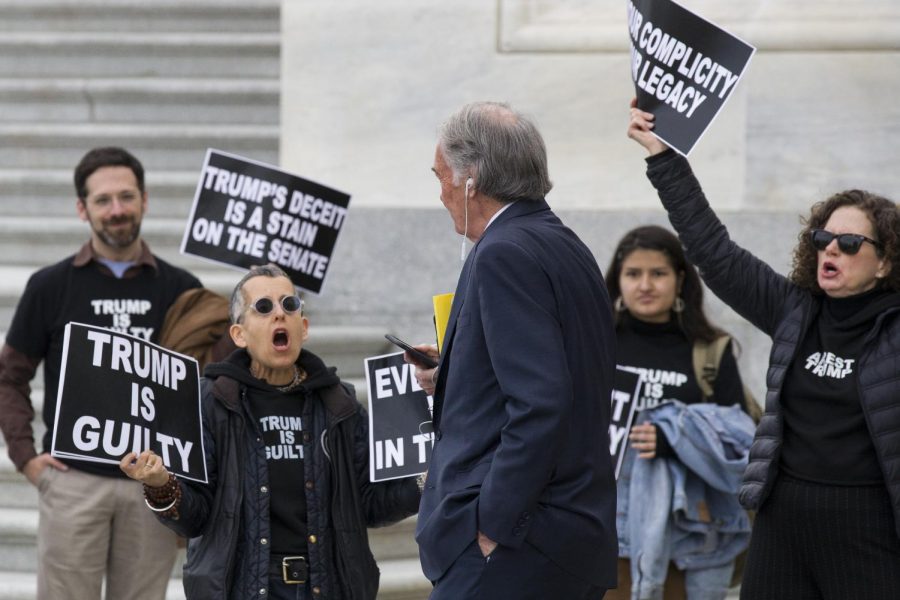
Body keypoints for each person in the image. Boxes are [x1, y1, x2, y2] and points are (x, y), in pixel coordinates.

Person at [628, 100, 900, 599]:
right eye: (823, 239)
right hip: (782, 519)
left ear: (884, 263)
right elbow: (714, 252)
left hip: (868, 525)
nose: (831, 250)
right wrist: (664, 158)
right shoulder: (795, 310)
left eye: (849, 244)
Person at [409, 101, 618, 599]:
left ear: (471, 180)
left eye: (440, 176)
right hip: (561, 538)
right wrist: (456, 373)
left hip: (519, 545)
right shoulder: (563, 243)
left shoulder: (505, 252)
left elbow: (541, 402)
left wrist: (492, 527)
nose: (439, 192)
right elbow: (552, 369)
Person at [120, 264, 421, 600]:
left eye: (289, 305)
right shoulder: (211, 403)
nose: (280, 314)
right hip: (242, 590)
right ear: (239, 334)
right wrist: (162, 485)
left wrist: (425, 479)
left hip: (326, 588)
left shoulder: (339, 404)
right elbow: (196, 518)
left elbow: (369, 504)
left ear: (303, 327)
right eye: (264, 307)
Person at [0, 147, 203, 599]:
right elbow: (10, 376)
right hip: (73, 481)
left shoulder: (180, 289)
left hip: (150, 484)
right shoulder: (51, 286)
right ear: (82, 208)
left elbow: (202, 385)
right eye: (103, 200)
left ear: (145, 200)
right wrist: (26, 458)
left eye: (127, 197)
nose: (117, 210)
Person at [605, 225, 755, 600]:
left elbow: (738, 439)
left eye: (658, 273)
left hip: (688, 534)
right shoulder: (597, 342)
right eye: (633, 274)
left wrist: (675, 438)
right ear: (617, 280)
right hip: (605, 530)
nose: (645, 285)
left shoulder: (709, 350)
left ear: (680, 279)